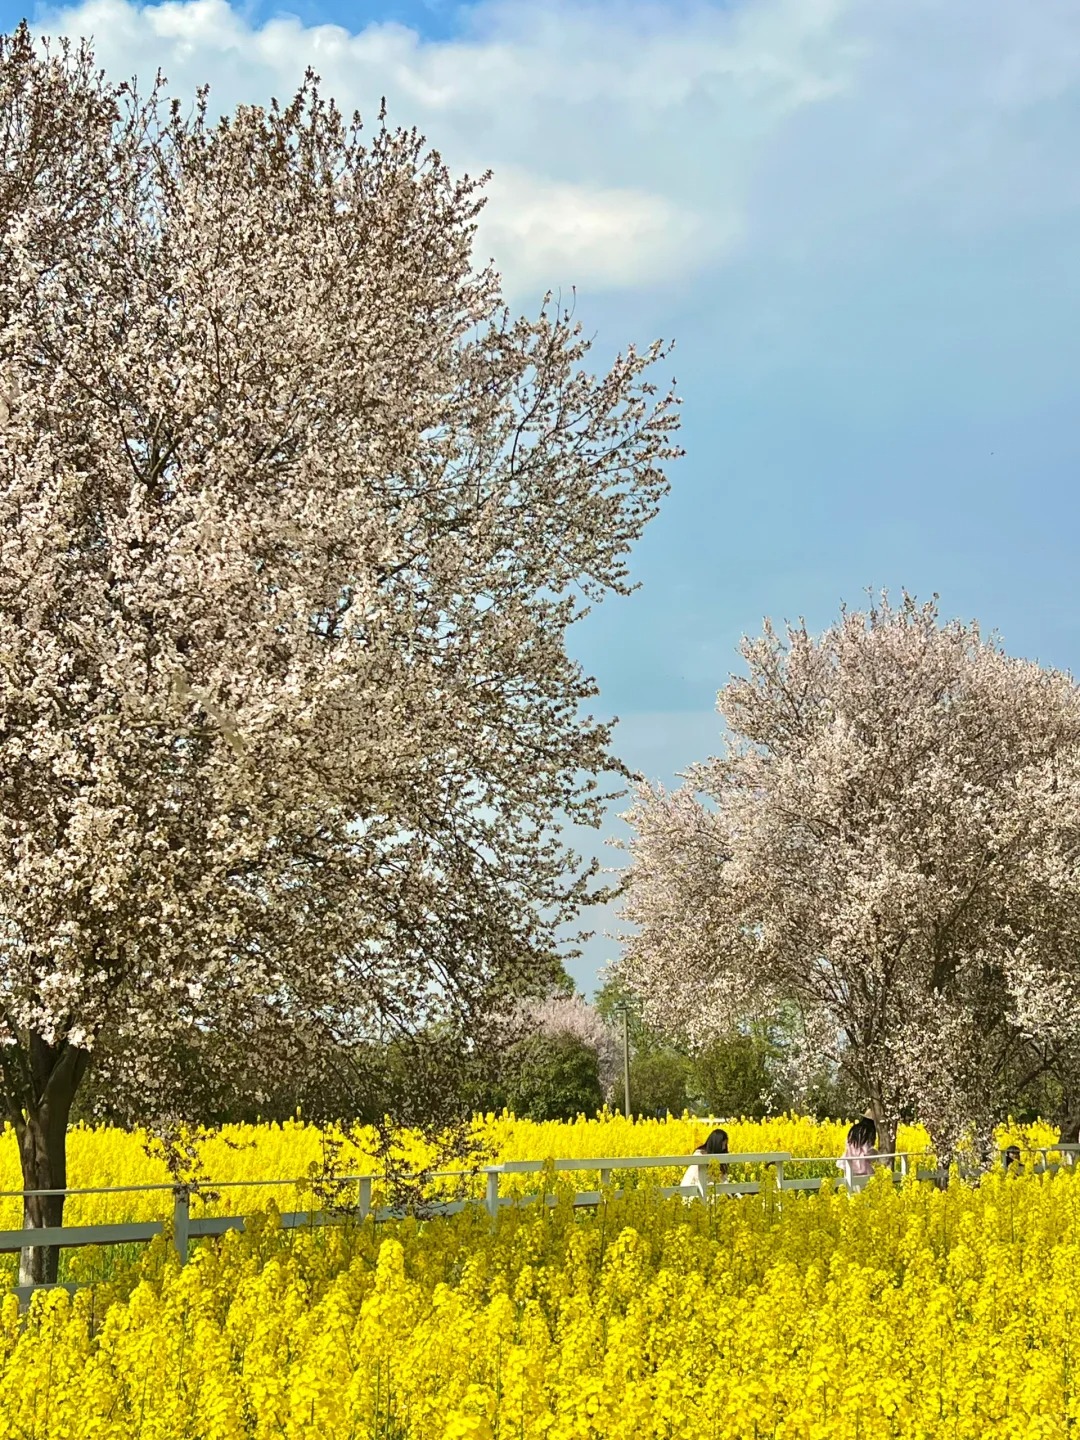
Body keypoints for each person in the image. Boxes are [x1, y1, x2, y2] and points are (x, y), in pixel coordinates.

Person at [681, 1127, 729, 1199]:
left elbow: (723, 1180)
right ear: (716, 1145)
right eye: (723, 1145)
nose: (724, 1148)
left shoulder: (717, 1158)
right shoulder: (699, 1157)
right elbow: (696, 1182)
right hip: (695, 1197)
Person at [837, 1116, 879, 1184]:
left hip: (848, 1163)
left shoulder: (854, 1129)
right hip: (861, 1165)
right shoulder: (866, 1131)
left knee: (850, 1189)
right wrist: (878, 1154)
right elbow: (866, 1151)